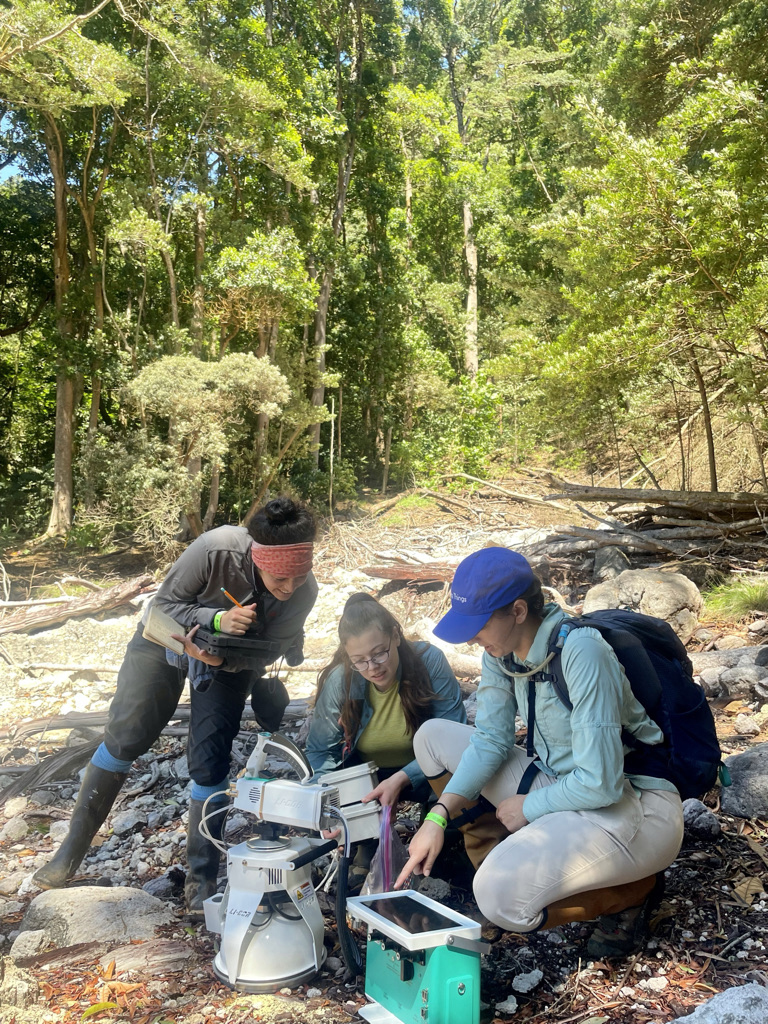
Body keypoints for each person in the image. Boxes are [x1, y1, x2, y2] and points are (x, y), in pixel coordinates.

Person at [33, 496, 318, 915]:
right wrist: (215, 620)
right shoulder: (215, 548)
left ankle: (200, 881)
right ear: (257, 554)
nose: (289, 586)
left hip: (228, 661)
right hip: (163, 639)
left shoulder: (304, 591)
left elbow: (268, 652)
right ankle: (69, 853)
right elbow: (161, 607)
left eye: (298, 574)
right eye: (280, 575)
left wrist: (218, 657)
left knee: (211, 759)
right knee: (127, 737)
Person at [395, 548, 684, 958]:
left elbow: (601, 783)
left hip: (633, 803)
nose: (473, 637)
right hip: (563, 786)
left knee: (497, 898)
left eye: (478, 626)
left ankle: (633, 893)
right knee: (431, 737)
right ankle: (493, 855)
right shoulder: (501, 652)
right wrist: (437, 817)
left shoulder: (582, 651)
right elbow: (492, 740)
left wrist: (529, 808)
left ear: (516, 610)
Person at [306, 593, 467, 887]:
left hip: (427, 772)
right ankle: (365, 844)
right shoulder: (341, 681)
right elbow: (321, 753)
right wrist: (329, 808)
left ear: (395, 636)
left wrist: (404, 778)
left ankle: (443, 840)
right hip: (367, 779)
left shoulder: (428, 662)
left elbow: (455, 734)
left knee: (443, 865)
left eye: (379, 653)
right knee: (356, 882)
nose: (373, 668)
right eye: (360, 661)